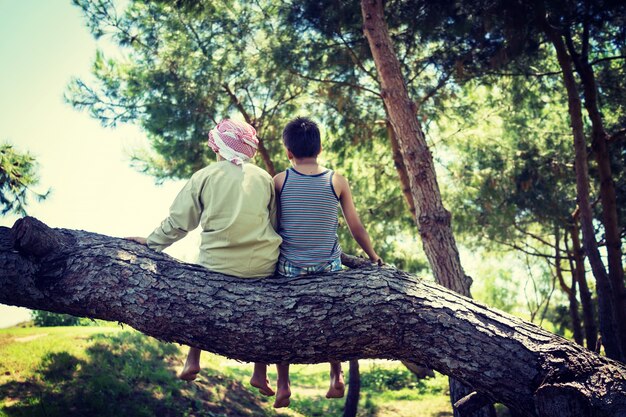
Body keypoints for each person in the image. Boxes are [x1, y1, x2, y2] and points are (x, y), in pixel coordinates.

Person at [127, 119, 281, 396]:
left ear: (217, 147)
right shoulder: (264, 179)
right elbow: (274, 222)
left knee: (198, 302)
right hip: (261, 266)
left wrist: (151, 243)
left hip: (217, 267)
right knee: (265, 315)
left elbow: (179, 222)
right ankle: (260, 372)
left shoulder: (204, 176)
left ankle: (192, 359)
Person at [251, 116, 382, 408]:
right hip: (328, 268)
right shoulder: (337, 180)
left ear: (288, 152)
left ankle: (284, 385)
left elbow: (272, 224)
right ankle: (336, 375)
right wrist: (373, 257)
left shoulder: (279, 181)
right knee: (332, 319)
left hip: (290, 269)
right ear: (320, 148)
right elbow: (355, 227)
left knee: (280, 320)